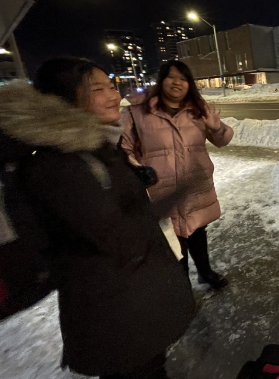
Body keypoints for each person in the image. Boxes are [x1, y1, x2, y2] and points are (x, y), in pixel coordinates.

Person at [0, 58, 195, 379]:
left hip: (130, 297)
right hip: (112, 311)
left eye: (111, 86)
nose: (112, 95)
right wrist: (173, 195)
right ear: (66, 98)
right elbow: (115, 237)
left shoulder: (92, 145)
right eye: (97, 89)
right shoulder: (56, 163)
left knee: (151, 367)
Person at [121, 60, 234, 290]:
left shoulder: (197, 109)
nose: (177, 82)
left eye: (183, 78)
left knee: (198, 232)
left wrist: (215, 127)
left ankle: (205, 273)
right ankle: (181, 287)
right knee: (173, 242)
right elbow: (124, 147)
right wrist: (136, 170)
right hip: (162, 190)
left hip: (193, 185)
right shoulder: (138, 112)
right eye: (171, 77)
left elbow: (222, 140)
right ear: (161, 80)